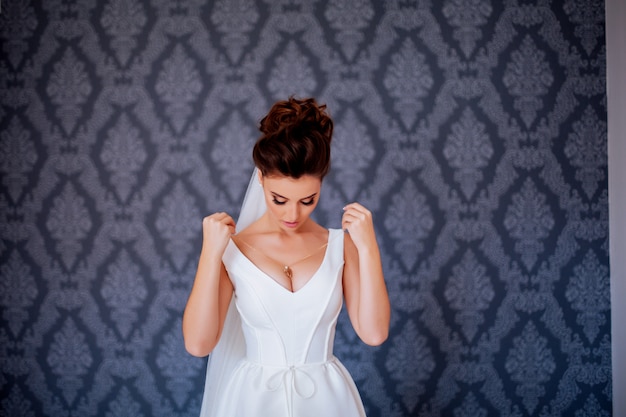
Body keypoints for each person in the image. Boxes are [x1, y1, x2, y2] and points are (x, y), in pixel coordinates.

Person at [183, 97, 390, 417]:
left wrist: (368, 248)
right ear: (261, 179)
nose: (293, 214)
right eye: (279, 199)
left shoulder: (340, 245)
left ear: (320, 184)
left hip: (328, 401)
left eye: (308, 200)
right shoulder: (231, 250)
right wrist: (210, 254)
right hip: (252, 403)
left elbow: (374, 334)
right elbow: (198, 344)